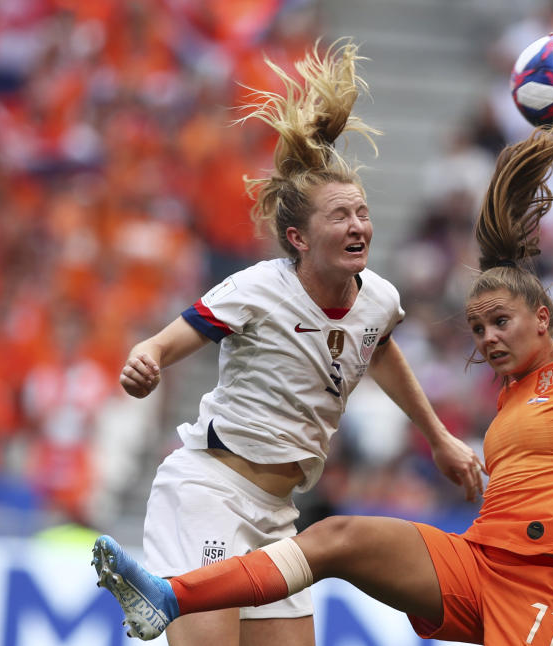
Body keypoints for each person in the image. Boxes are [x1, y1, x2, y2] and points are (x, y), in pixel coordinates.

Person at [95, 128, 553, 645]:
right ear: (299, 238)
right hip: (478, 563)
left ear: (542, 318)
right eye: (477, 328)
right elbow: (219, 329)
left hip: (548, 587)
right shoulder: (511, 395)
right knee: (337, 536)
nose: (486, 340)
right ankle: (168, 595)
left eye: (499, 324)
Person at [114, 39, 484, 646]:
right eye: (339, 216)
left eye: (362, 212)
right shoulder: (256, 289)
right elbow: (168, 340)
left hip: (278, 519)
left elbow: (379, 349)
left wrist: (439, 437)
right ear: (299, 237)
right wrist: (147, 359)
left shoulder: (380, 300)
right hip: (210, 493)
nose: (359, 224)